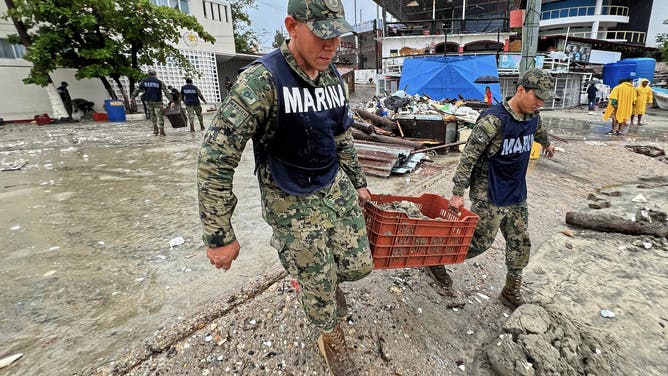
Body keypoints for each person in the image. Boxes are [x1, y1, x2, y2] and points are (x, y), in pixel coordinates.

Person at [197, 1, 373, 374]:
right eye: (322, 34)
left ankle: (314, 274)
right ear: (292, 26)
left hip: (333, 184)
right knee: (320, 286)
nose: (331, 45)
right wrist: (219, 235)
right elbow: (216, 158)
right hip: (289, 195)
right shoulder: (261, 82)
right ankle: (329, 333)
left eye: (336, 35)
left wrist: (359, 183)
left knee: (358, 266)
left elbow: (340, 136)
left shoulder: (331, 77)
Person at [427, 68, 556, 311]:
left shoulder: (533, 117)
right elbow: (469, 157)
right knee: (479, 242)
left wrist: (547, 144)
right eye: (536, 97)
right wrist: (457, 193)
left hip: (516, 192)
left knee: (520, 242)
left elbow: (539, 131)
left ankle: (510, 291)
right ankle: (435, 259)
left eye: (543, 100)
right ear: (521, 90)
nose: (540, 103)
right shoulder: (493, 121)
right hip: (489, 194)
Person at [131, 69, 172, 136]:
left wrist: (132, 97)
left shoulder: (144, 81)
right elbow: (166, 92)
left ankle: (155, 130)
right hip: (157, 101)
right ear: (155, 74)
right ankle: (161, 131)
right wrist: (171, 100)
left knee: (152, 115)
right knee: (159, 116)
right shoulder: (159, 82)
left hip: (148, 101)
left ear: (148, 74)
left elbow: (137, 90)